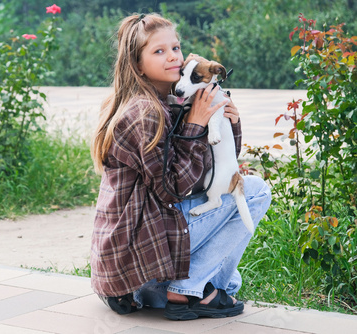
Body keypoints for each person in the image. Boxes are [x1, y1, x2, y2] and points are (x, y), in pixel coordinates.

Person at [90, 13, 271, 321]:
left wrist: (229, 121)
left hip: (139, 258)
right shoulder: (144, 113)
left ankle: (185, 289)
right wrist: (195, 125)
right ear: (136, 64)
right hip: (138, 260)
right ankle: (186, 289)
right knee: (254, 192)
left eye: (175, 47)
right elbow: (175, 187)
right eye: (159, 51)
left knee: (230, 281)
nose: (173, 56)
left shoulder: (165, 101)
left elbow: (216, 167)